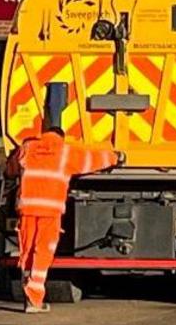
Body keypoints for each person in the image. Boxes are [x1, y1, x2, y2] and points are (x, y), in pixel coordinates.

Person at [12, 98, 119, 312]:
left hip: (27, 209)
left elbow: (13, 167)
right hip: (49, 211)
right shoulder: (65, 152)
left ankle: (28, 290)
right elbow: (93, 160)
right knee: (43, 251)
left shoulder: (28, 148)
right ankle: (33, 298)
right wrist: (116, 157)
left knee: (27, 250)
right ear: (61, 137)